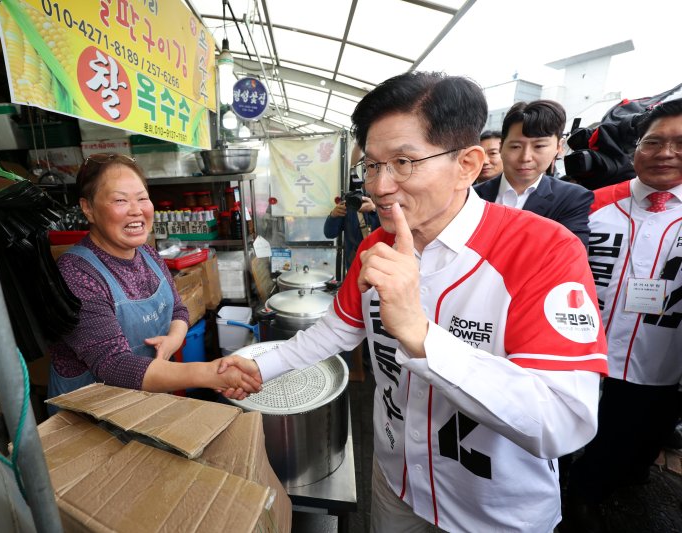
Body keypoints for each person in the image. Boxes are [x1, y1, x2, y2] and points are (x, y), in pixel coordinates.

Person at [220, 71, 607, 532]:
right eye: (372, 166)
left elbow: (563, 421)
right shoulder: (375, 246)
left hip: (494, 510)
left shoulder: (544, 250)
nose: (380, 186)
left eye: (403, 162)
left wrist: (420, 336)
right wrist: (258, 367)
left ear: (467, 164)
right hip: (397, 480)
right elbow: (333, 332)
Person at [46, 153, 260, 413]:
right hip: (90, 414)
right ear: (88, 208)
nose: (136, 210)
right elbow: (113, 366)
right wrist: (210, 374)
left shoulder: (148, 254)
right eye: (120, 200)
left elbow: (178, 310)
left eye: (142, 198)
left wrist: (173, 339)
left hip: (143, 402)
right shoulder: (76, 272)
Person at [565, 99, 682, 532]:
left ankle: (602, 488)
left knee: (633, 434)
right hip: (581, 349)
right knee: (566, 429)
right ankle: (573, 498)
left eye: (679, 144)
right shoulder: (590, 204)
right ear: (635, 147)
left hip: (660, 356)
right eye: (653, 142)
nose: (665, 153)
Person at [474, 100, 595, 248]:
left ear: (559, 147)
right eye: (516, 146)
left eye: (539, 146)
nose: (526, 157)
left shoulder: (572, 198)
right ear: (501, 147)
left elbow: (571, 255)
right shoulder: (471, 195)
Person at [324, 145, 380, 271]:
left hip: (380, 267)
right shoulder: (350, 200)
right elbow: (329, 233)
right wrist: (333, 215)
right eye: (365, 170)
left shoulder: (385, 200)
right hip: (353, 268)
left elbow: (394, 233)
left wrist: (374, 210)